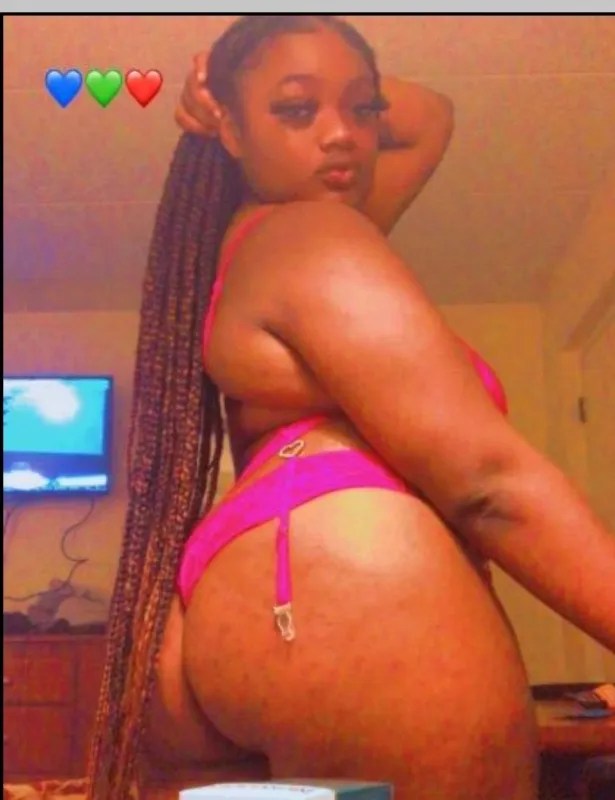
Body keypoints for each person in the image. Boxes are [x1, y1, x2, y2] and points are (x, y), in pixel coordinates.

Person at [87, 15, 615, 800]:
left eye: (361, 108)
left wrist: (246, 83)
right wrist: (237, 86)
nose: (341, 134)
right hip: (345, 587)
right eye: (295, 109)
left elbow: (428, 115)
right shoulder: (312, 234)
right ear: (229, 131)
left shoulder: (243, 248)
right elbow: (486, 483)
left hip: (229, 606)